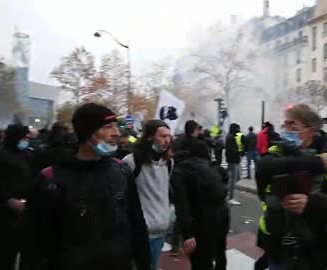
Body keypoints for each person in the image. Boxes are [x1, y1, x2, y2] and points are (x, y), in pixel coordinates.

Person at [20, 103, 150, 270]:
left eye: (116, 127)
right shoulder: (51, 179)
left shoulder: (122, 171)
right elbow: (34, 241)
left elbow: (137, 224)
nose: (116, 133)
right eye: (108, 127)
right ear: (87, 132)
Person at [255, 104, 327, 270]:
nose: (287, 130)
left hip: (318, 257)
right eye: (285, 124)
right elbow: (263, 168)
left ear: (311, 130)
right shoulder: (276, 153)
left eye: (293, 125)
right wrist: (317, 162)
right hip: (278, 252)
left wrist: (312, 204)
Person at [171, 138, 229, 270]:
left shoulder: (180, 170)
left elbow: (182, 205)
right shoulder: (208, 165)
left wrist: (187, 234)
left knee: (201, 261)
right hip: (222, 216)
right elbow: (224, 178)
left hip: (201, 221)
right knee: (220, 253)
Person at [122, 120, 173, 270]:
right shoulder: (131, 162)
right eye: (163, 136)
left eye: (169, 137)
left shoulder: (169, 162)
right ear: (150, 137)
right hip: (140, 234)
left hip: (161, 231)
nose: (167, 140)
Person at [0, 124, 32, 270]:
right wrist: (8, 200)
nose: (27, 141)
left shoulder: (26, 155)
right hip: (4, 213)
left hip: (22, 212)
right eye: (24, 138)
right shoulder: (1, 155)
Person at [225, 123, 244, 205]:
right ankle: (230, 197)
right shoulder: (231, 138)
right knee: (233, 179)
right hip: (233, 161)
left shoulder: (231, 137)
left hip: (234, 161)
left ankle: (227, 194)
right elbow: (231, 151)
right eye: (237, 129)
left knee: (236, 177)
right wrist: (238, 152)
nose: (238, 131)